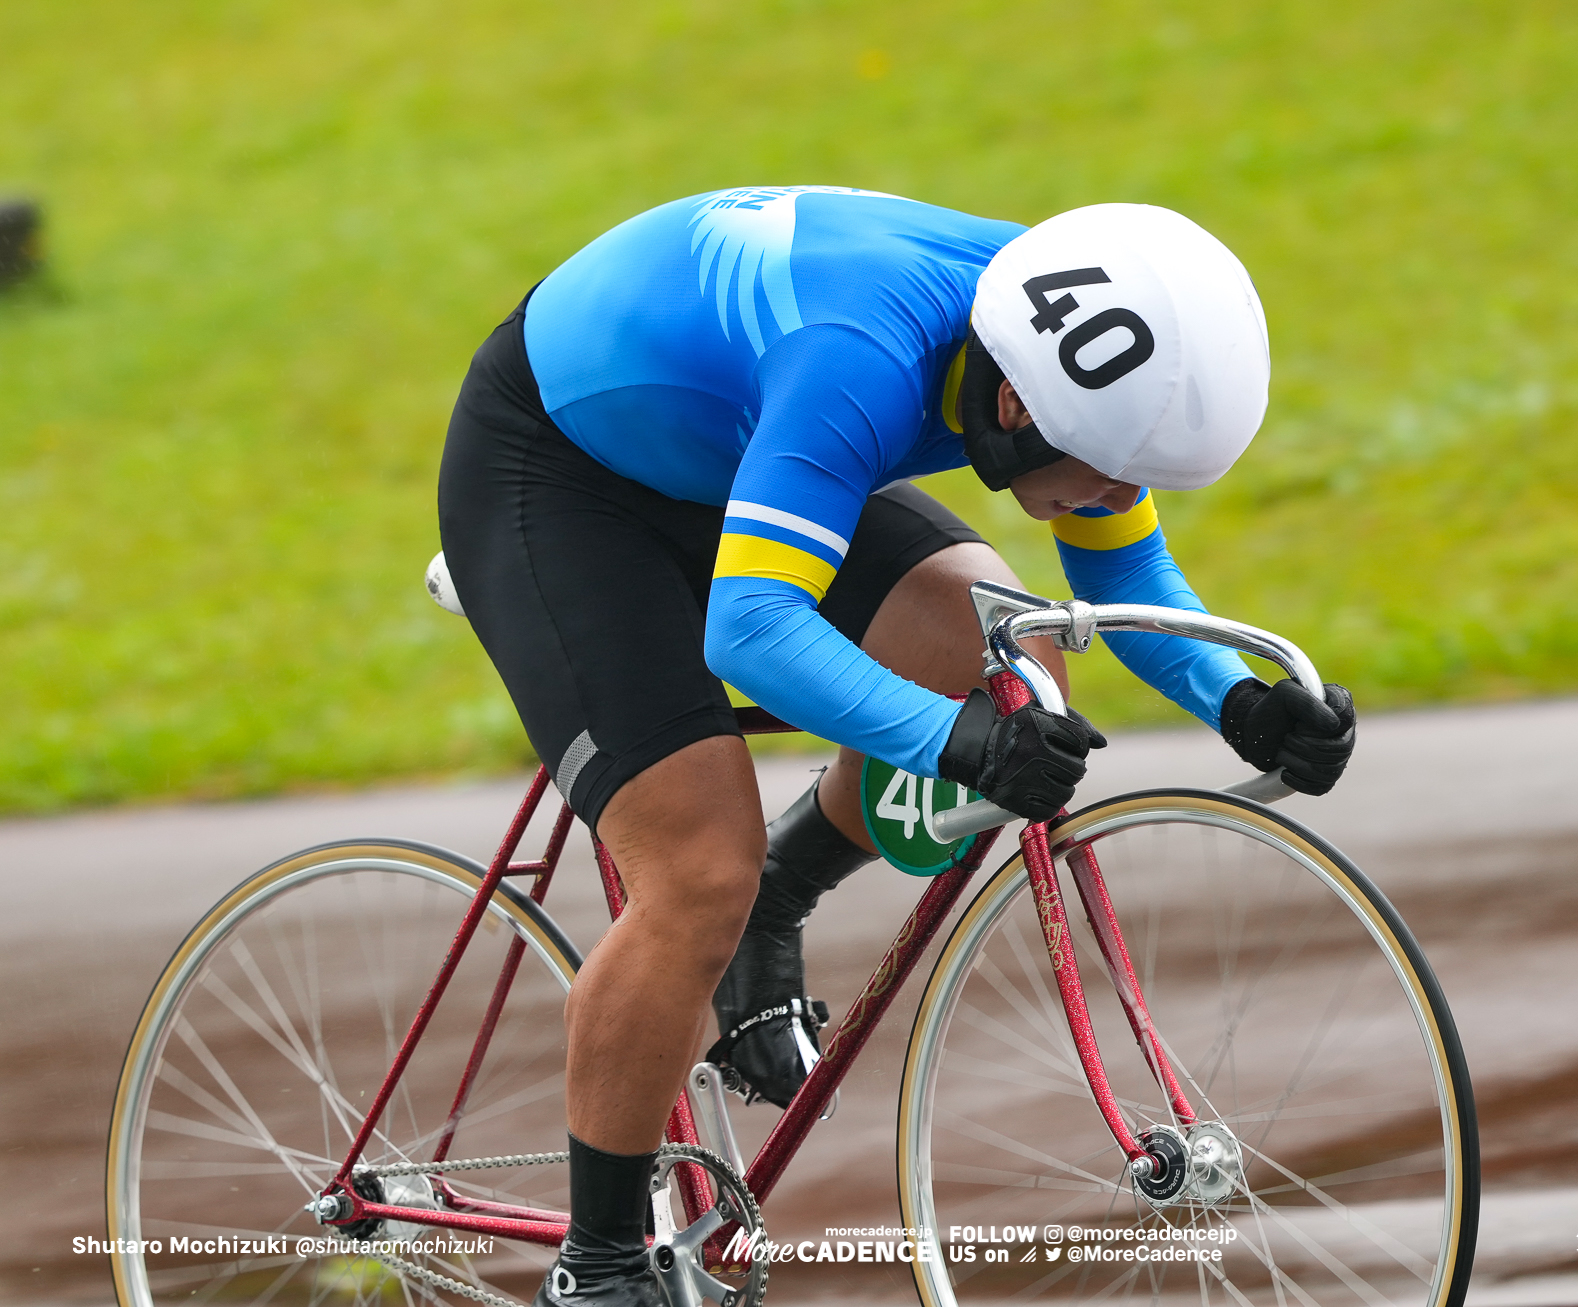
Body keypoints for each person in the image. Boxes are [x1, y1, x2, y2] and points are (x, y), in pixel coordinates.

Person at [436, 186, 1356, 1307]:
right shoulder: (865, 355)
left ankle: (790, 883)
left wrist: (1241, 704)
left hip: (742, 441)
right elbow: (753, 630)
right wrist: (954, 744)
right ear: (1013, 402)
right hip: (560, 475)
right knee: (695, 869)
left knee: (1012, 665)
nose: (1121, 497)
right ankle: (603, 1266)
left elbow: (1116, 575)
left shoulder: (1060, 357)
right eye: (1111, 470)